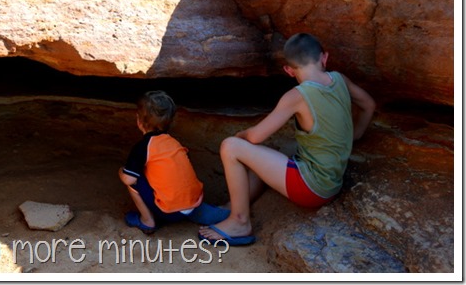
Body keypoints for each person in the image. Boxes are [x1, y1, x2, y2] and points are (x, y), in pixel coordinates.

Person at [199, 33, 376, 246]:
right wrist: (354, 134)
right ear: (324, 58)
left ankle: (239, 222)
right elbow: (369, 104)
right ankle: (230, 207)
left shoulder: (297, 96)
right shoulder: (340, 79)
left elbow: (255, 136)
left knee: (231, 147)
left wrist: (241, 136)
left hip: (310, 189)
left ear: (289, 71)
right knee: (268, 152)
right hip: (330, 181)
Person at [120, 90, 230, 234]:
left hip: (169, 212)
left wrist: (121, 171)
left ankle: (147, 221)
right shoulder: (174, 143)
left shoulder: (143, 147)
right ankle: (210, 212)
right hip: (194, 204)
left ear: (138, 120)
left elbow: (129, 179)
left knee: (132, 178)